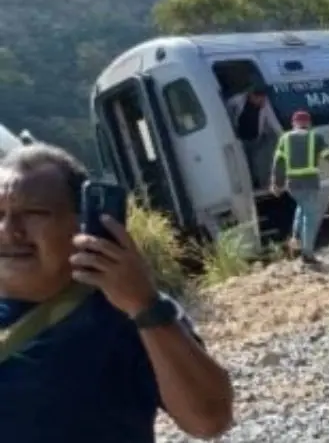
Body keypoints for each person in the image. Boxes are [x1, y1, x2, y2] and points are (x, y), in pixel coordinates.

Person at [0, 144, 234, 441]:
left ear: (81, 224)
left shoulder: (124, 313)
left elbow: (210, 420)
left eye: (33, 213)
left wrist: (145, 306)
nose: (9, 230)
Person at [270, 110, 329, 265]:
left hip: (293, 184)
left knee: (301, 209)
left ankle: (295, 238)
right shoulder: (315, 136)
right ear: (308, 123)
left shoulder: (285, 138)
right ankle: (307, 253)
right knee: (311, 217)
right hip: (310, 182)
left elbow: (278, 163)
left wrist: (277, 184)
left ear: (294, 123)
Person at [225, 85, 283, 191]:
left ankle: (258, 183)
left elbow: (272, 121)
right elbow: (227, 112)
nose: (262, 100)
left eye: (263, 97)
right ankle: (249, 185)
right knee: (243, 163)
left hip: (256, 139)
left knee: (257, 163)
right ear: (251, 95)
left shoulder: (264, 104)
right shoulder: (236, 101)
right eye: (259, 97)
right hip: (240, 139)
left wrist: (282, 135)